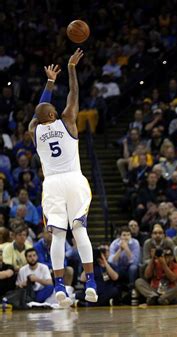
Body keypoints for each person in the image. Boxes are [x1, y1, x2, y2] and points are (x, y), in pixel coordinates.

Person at [27, 49, 97, 307]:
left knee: (57, 235)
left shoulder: (33, 130)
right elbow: (74, 94)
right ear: (54, 115)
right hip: (73, 180)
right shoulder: (67, 120)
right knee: (80, 230)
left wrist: (49, 83)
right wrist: (70, 69)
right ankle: (90, 282)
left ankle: (58, 287)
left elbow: (38, 113)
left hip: (52, 183)